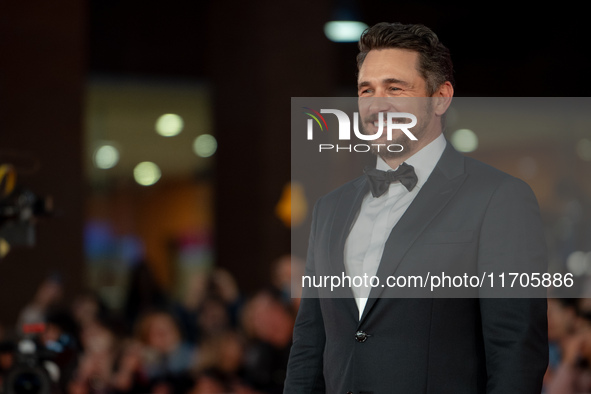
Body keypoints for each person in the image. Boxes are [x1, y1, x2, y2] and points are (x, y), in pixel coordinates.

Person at [284, 22, 548, 393]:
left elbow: (516, 351)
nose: (377, 104)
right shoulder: (330, 209)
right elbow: (309, 346)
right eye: (366, 90)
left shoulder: (499, 198)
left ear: (440, 98)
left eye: (395, 88)